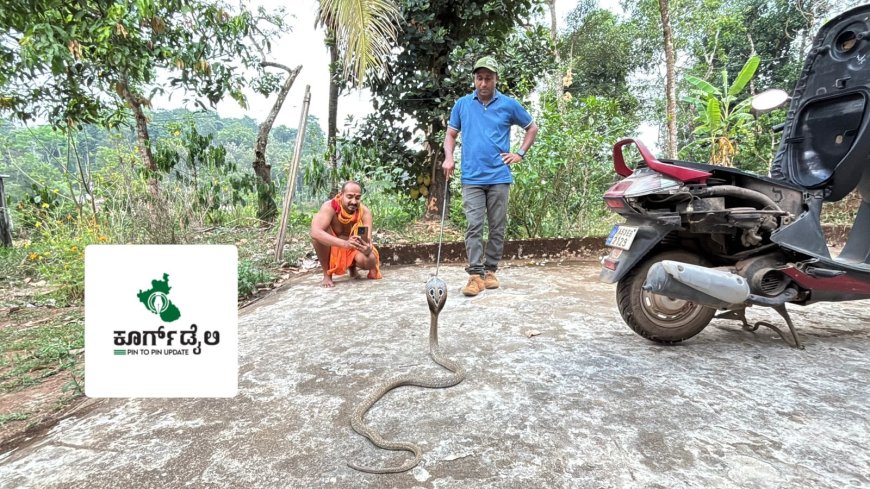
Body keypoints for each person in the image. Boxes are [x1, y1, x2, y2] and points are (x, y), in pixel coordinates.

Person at [442, 55, 539, 297]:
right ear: (474, 79)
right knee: (474, 225)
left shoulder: (508, 105)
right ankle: (475, 276)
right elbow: (451, 134)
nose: (483, 83)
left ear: (496, 79)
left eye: (488, 78)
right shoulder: (462, 105)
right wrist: (449, 157)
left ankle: (491, 270)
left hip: (499, 176)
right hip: (472, 178)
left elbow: (532, 127)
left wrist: (519, 153)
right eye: (479, 78)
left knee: (497, 226)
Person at [310, 181, 382, 287]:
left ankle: (352, 268)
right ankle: (327, 274)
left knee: (369, 261)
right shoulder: (329, 207)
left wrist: (367, 249)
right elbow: (315, 232)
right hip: (334, 244)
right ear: (341, 195)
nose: (354, 201)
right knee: (318, 238)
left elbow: (367, 240)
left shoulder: (364, 212)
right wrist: (345, 244)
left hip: (354, 246)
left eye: (357, 198)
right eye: (349, 197)